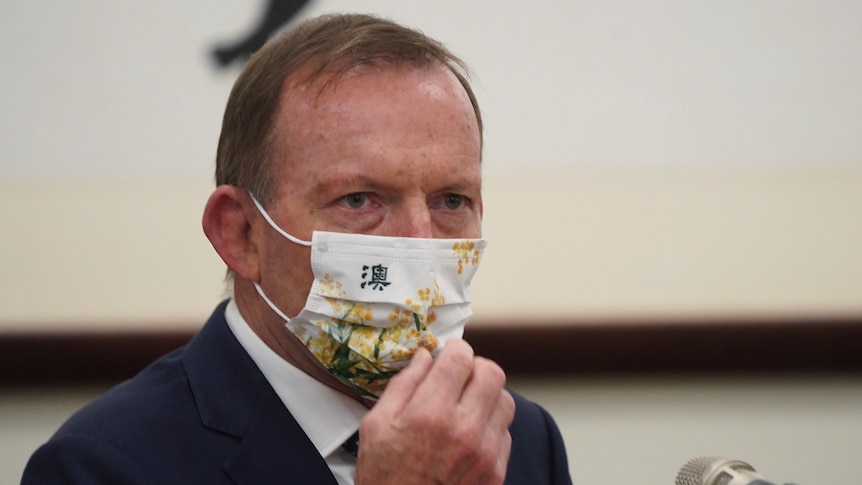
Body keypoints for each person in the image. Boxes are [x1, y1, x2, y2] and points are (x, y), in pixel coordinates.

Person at [23, 13, 572, 485]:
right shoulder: (103, 465)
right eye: (358, 199)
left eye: (452, 200)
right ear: (239, 234)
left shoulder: (515, 438)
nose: (419, 243)